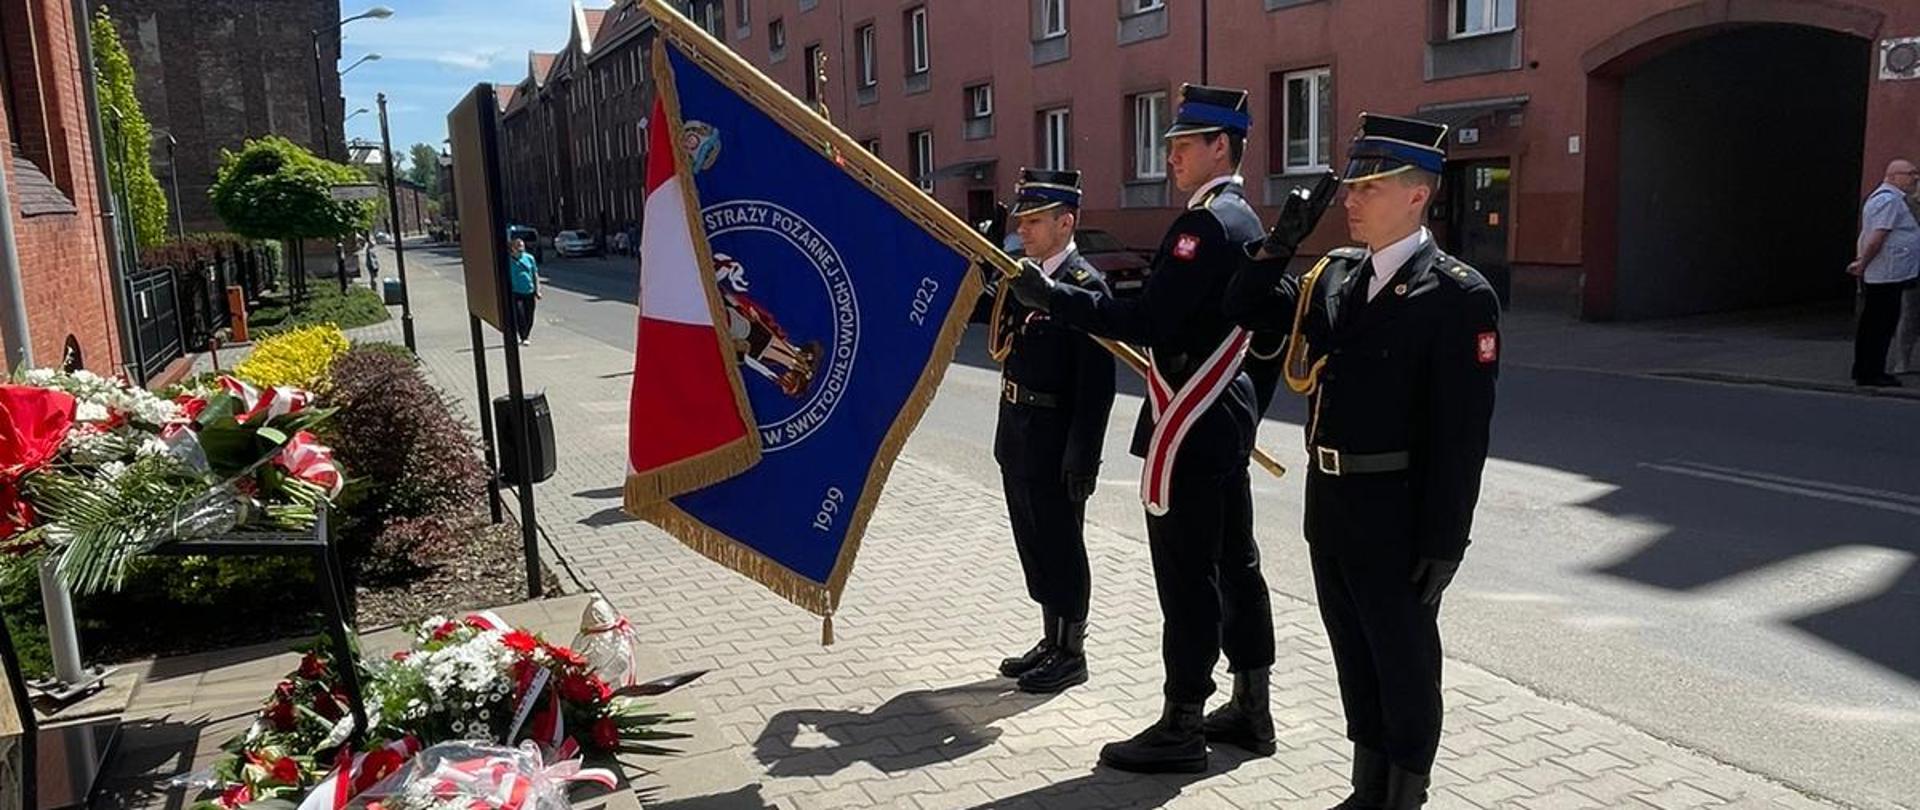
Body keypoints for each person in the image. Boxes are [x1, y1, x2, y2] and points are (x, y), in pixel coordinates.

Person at [1223, 113, 1499, 809]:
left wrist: (1445, 541)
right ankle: (1366, 789)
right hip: (1333, 504)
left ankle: (1404, 795)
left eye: (1368, 187)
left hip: (1399, 513)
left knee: (1404, 664)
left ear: (1416, 194)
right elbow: (1246, 308)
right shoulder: (1335, 277)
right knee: (1355, 657)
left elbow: (1462, 437)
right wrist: (1279, 243)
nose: (1350, 199)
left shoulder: (1459, 295)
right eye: (1351, 186)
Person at [1008, 84, 1275, 774]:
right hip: (1223, 410)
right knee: (1237, 565)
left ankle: (1183, 723)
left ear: (1222, 146)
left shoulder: (1204, 226)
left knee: (1189, 575)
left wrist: (1057, 298)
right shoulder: (1245, 218)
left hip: (1191, 420)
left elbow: (1149, 321)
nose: (1172, 157)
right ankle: (1252, 706)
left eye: (1185, 145)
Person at [985, 169, 1116, 695]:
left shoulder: (1084, 289)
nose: (1026, 230)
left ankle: (1072, 650)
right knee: (1032, 540)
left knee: (1063, 543)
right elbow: (982, 314)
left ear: (1067, 223)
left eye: (1035, 221)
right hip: (1018, 431)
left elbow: (1098, 384)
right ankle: (1049, 636)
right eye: (1022, 222)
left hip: (1056, 436)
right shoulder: (1025, 278)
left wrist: (1083, 454)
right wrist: (985, 253)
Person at [1849, 159, 1920, 386]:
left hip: (1889, 272)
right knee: (1879, 324)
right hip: (1887, 273)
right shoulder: (1888, 201)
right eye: (1910, 174)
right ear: (1893, 175)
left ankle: (1865, 369)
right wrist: (1863, 263)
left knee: (1874, 323)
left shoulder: (1891, 200)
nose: (1915, 178)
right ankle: (1871, 372)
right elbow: (1877, 236)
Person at [508, 238, 541, 345]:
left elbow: (535, 274)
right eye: (518, 246)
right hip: (516, 292)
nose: (521, 248)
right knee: (520, 314)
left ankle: (526, 333)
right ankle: (523, 336)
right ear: (513, 248)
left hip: (529, 291)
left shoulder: (529, 258)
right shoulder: (508, 260)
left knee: (529, 316)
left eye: (522, 246)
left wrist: (537, 290)